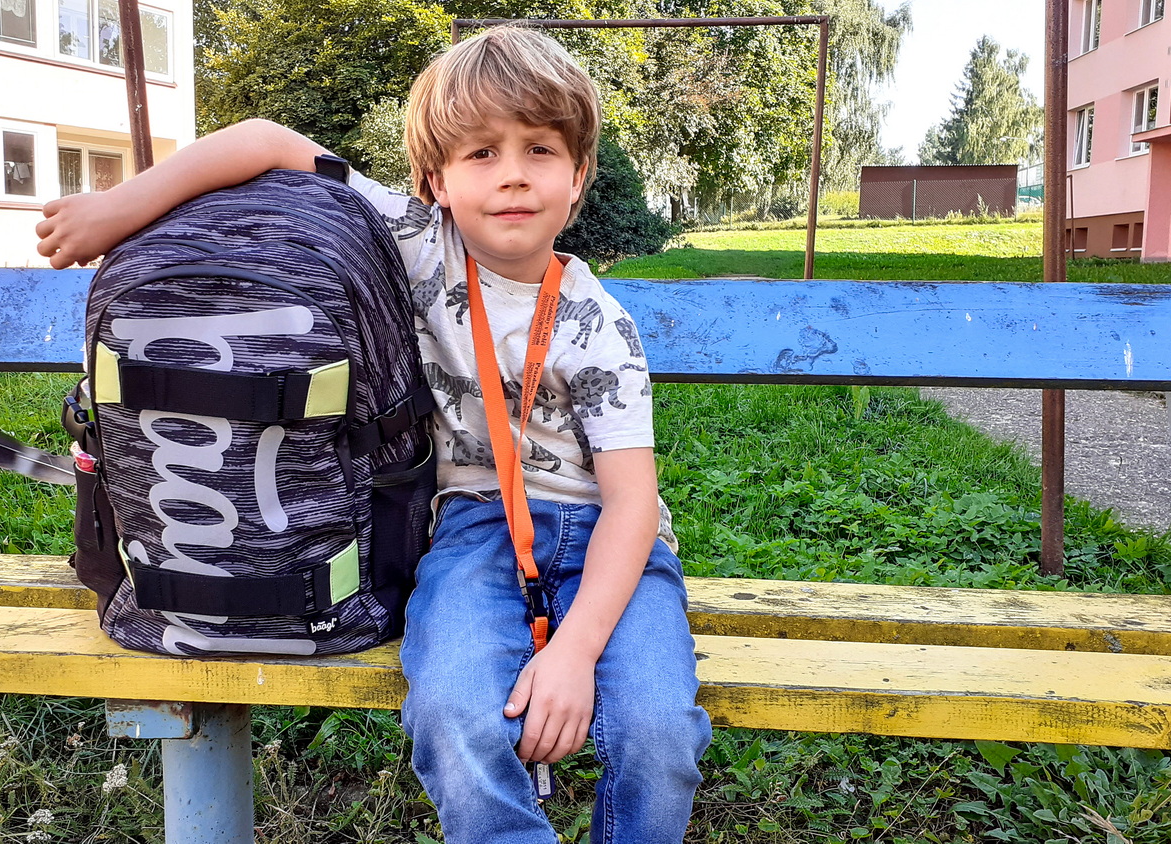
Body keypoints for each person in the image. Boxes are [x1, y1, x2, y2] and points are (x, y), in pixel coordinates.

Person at [35, 24, 712, 844]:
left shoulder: (600, 327)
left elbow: (633, 506)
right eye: (482, 153)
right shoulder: (417, 245)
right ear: (436, 181)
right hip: (473, 529)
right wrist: (118, 208)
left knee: (659, 733)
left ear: (577, 178)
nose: (512, 175)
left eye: (540, 150)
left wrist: (572, 653)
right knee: (451, 711)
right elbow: (266, 140)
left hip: (608, 540)